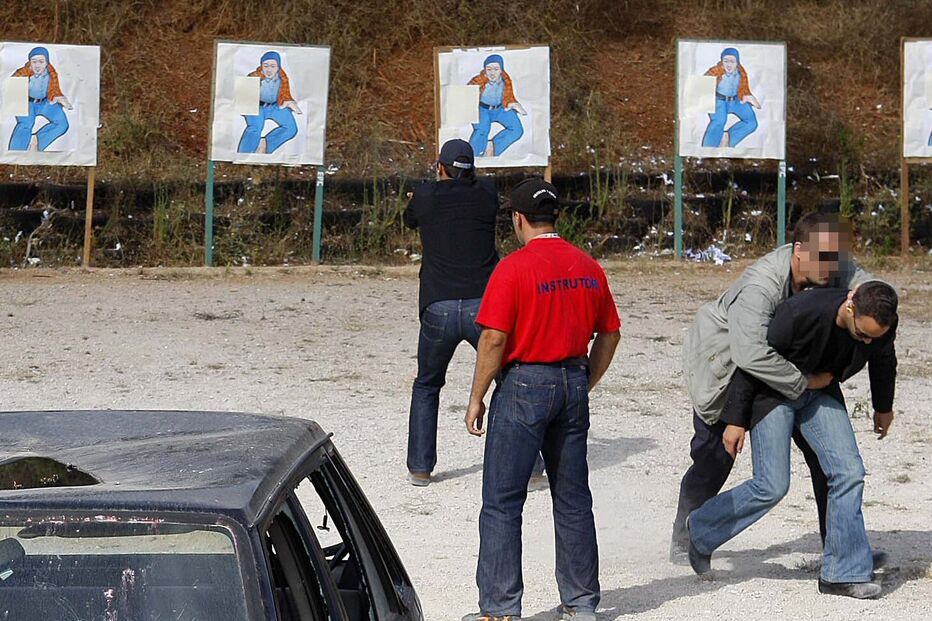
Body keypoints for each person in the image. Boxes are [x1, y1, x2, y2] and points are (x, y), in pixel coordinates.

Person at [671, 213, 875, 563]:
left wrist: (877, 300)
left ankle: (839, 549)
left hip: (783, 367)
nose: (832, 268)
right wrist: (803, 382)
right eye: (824, 258)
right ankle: (686, 535)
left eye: (836, 258)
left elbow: (871, 287)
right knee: (715, 457)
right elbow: (750, 354)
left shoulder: (828, 265)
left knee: (826, 459)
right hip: (726, 366)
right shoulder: (761, 286)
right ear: (799, 251)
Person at [461, 179, 621, 621]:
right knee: (573, 499)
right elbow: (610, 334)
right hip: (572, 380)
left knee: (502, 501)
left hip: (524, 384)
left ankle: (500, 609)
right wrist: (585, 380)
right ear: (555, 217)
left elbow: (493, 338)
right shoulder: (588, 265)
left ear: (518, 219)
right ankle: (581, 604)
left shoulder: (512, 268)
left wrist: (476, 396)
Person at [687, 281, 898, 599]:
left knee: (849, 472)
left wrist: (883, 407)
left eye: (873, 337)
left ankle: (844, 570)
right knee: (772, 485)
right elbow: (752, 361)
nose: (867, 341)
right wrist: (736, 420)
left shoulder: (883, 322)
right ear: (850, 304)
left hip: (820, 391)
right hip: (773, 394)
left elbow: (883, 359)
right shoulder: (800, 313)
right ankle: (702, 528)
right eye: (862, 334)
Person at [404, 139, 499, 487]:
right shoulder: (487, 193)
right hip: (484, 305)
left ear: (440, 168)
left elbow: (410, 219)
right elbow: (474, 189)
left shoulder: (426, 196)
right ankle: (529, 467)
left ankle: (420, 467)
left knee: (427, 385)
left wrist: (423, 192)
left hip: (439, 304)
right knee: (508, 381)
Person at [237, 51, 302, 154]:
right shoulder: (254, 76)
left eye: (273, 66)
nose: (269, 69)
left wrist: (289, 102)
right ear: (261, 66)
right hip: (258, 107)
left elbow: (285, 94)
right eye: (266, 66)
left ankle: (265, 144)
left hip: (275, 106)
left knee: (291, 129)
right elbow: (244, 96)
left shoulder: (283, 77)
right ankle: (244, 154)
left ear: (278, 67)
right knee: (255, 128)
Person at [9, 47, 72, 152]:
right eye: (34, 62)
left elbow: (54, 88)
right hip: (28, 102)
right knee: (26, 124)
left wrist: (59, 98)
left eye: (41, 62)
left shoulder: (51, 73)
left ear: (47, 62)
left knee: (62, 124)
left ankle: (37, 141)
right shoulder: (23, 73)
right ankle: (16, 152)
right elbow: (14, 85)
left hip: (45, 102)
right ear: (30, 62)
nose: (37, 65)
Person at [467, 54, 527, 157]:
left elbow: (508, 95)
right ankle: (474, 155)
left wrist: (513, 104)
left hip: (500, 108)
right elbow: (468, 92)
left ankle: (493, 147)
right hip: (483, 109)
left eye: (496, 69)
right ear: (485, 70)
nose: (492, 73)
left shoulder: (506, 80)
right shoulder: (479, 80)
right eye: (489, 69)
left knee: (517, 130)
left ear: (501, 70)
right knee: (482, 130)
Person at [701, 47, 761, 148]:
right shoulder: (716, 71)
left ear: (737, 62)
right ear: (722, 61)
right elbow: (704, 83)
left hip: (736, 100)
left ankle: (728, 138)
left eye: (732, 61)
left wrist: (748, 97)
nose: (729, 64)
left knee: (752, 122)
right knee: (719, 121)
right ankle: (708, 148)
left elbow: (744, 87)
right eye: (726, 61)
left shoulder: (741, 72)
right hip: (719, 101)